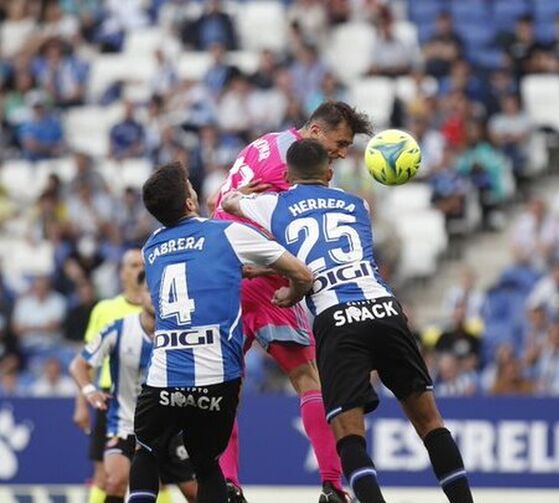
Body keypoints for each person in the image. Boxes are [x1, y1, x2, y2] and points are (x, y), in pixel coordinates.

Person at [222, 139, 475, 503]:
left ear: (288, 175)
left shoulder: (273, 204)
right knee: (430, 422)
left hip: (336, 319)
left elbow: (229, 203)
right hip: (384, 309)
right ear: (329, 173)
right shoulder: (357, 204)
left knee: (349, 435)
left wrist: (244, 195)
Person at [209, 101, 373, 502]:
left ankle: (227, 484)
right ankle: (333, 486)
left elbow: (225, 203)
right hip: (262, 277)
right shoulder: (295, 171)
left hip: (220, 272)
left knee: (228, 386)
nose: (342, 152)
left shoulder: (263, 144)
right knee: (307, 379)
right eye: (340, 142)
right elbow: (294, 229)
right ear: (316, 132)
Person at [129, 162, 313, 503]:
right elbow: (302, 273)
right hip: (218, 377)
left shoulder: (150, 248)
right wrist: (293, 293)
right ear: (188, 201)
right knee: (207, 464)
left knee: (146, 453)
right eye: (190, 187)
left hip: (164, 375)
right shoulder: (227, 234)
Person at [69, 273, 198, 503]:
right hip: (124, 424)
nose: (156, 297)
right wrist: (89, 391)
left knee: (193, 492)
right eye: (151, 291)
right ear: (139, 296)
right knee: (115, 480)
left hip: (169, 428)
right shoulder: (117, 329)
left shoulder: (180, 332)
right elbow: (79, 364)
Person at [72, 249, 145, 503]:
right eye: (134, 265)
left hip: (150, 399)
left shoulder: (160, 308)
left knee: (154, 474)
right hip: (110, 399)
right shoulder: (105, 309)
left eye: (143, 265)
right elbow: (86, 361)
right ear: (123, 272)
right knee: (105, 476)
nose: (139, 270)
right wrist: (82, 403)